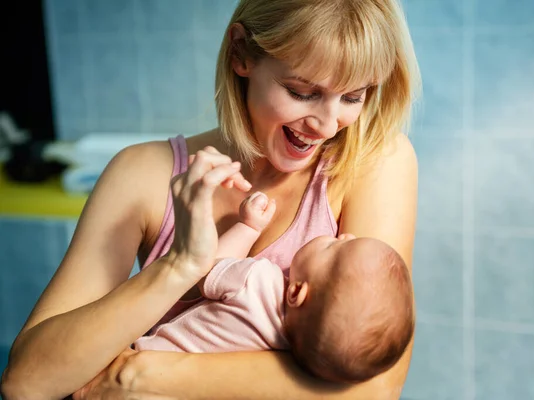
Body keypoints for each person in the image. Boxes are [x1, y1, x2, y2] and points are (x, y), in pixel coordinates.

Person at [0, 0, 420, 398]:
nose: (328, 125)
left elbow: (376, 386)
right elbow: (27, 383)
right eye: (302, 92)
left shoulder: (371, 162)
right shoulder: (142, 175)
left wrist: (139, 375)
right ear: (241, 54)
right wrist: (180, 265)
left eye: (353, 97)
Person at [133, 190, 415, 384]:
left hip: (146, 359)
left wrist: (250, 227)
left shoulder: (256, 282)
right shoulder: (291, 351)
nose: (346, 234)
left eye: (334, 247)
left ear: (296, 292)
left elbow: (206, 271)